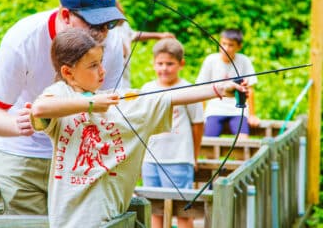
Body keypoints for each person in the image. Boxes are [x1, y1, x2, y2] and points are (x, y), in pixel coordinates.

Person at [29, 28, 248, 227]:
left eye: (102, 62)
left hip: (111, 219)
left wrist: (220, 89)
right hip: (68, 221)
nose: (102, 71)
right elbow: (40, 108)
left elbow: (171, 96)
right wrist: (92, 104)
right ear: (68, 73)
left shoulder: (121, 104)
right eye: (93, 65)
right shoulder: (61, 95)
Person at [0, 0, 126, 215]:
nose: (102, 32)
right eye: (93, 23)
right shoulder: (22, 39)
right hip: (22, 159)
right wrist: (18, 124)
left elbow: (107, 107)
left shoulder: (111, 40)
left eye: (108, 23)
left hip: (79, 158)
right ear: (65, 15)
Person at [141, 38, 203, 228]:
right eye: (160, 63)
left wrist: (194, 156)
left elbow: (198, 124)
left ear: (181, 64)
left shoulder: (190, 90)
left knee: (183, 211)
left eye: (170, 64)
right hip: (150, 160)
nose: (164, 68)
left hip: (179, 159)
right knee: (154, 209)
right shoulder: (147, 89)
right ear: (153, 64)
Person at [196, 28, 260, 139]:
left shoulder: (244, 61)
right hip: (214, 109)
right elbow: (202, 88)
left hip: (238, 110)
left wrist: (252, 115)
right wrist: (201, 114)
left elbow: (249, 89)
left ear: (239, 47)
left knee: (243, 141)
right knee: (209, 142)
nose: (226, 48)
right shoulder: (210, 60)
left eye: (231, 45)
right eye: (223, 43)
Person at [114, 1, 175, 88]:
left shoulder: (123, 25)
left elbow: (133, 35)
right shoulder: (104, 29)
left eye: (121, 7)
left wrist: (159, 36)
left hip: (124, 81)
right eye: (118, 8)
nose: (122, 11)